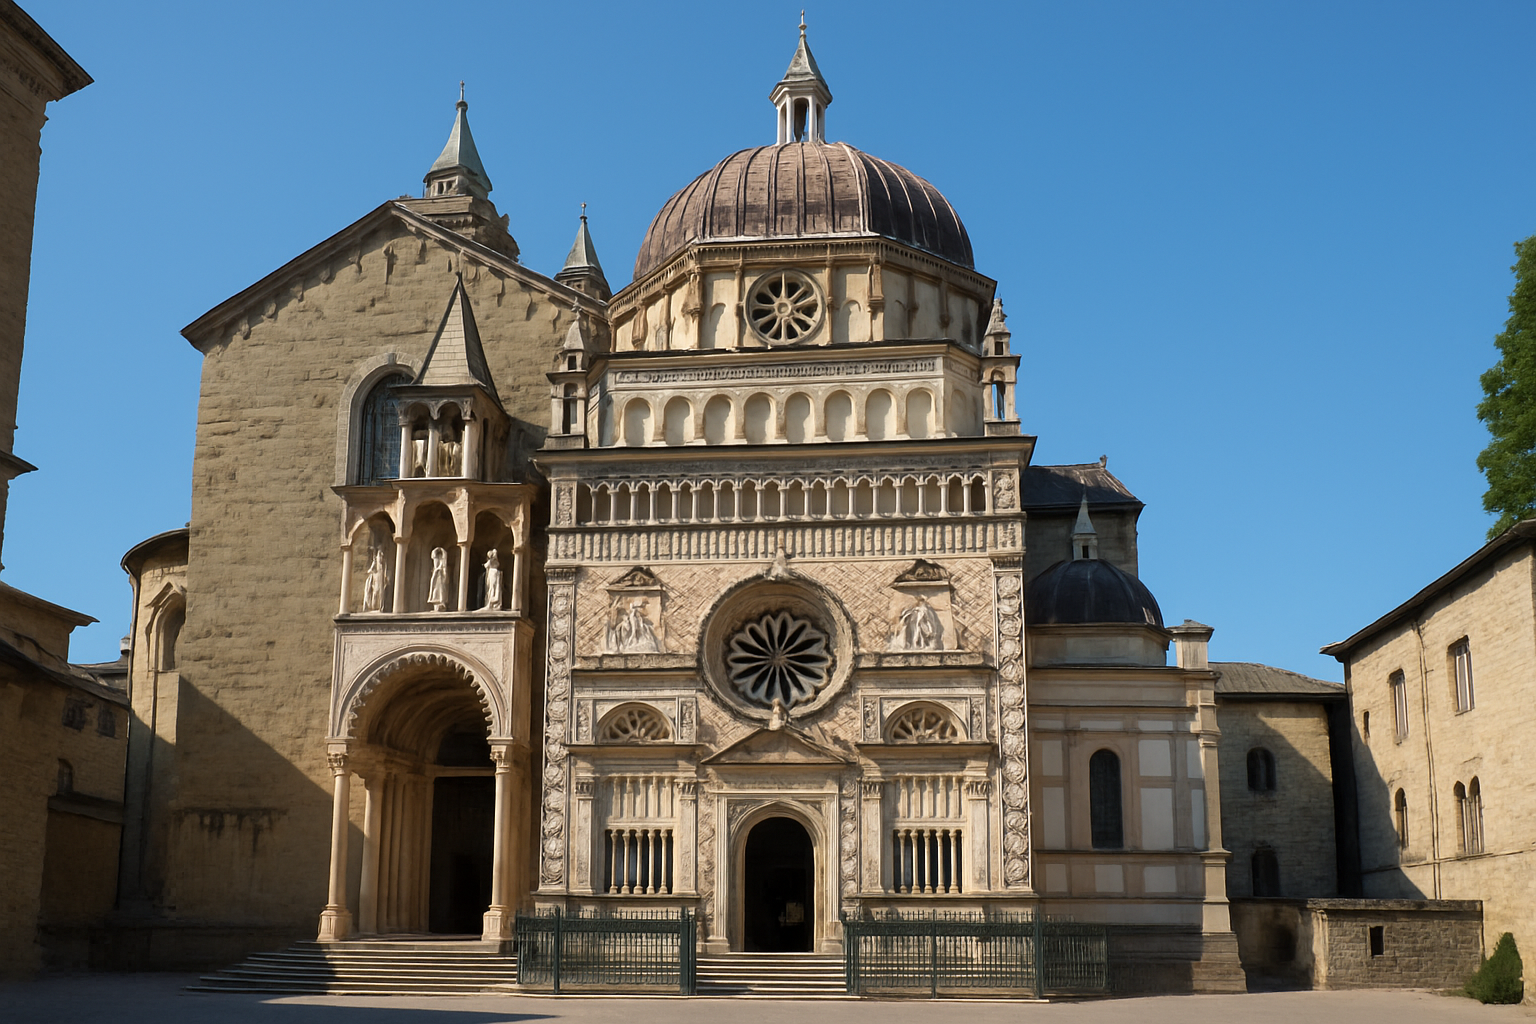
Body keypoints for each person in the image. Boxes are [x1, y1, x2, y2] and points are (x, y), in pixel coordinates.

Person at [361, 547, 388, 612]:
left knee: (380, 592)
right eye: (379, 555)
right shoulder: (375, 562)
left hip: (380, 577)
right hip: (376, 576)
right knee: (375, 592)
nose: (381, 557)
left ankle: (379, 607)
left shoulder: (383, 565)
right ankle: (374, 607)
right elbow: (371, 568)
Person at [428, 547, 449, 611]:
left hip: (441, 583)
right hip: (436, 585)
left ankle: (441, 604)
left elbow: (445, 578)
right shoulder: (435, 570)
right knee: (435, 593)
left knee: (440, 592)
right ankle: (437, 605)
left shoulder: (442, 569)